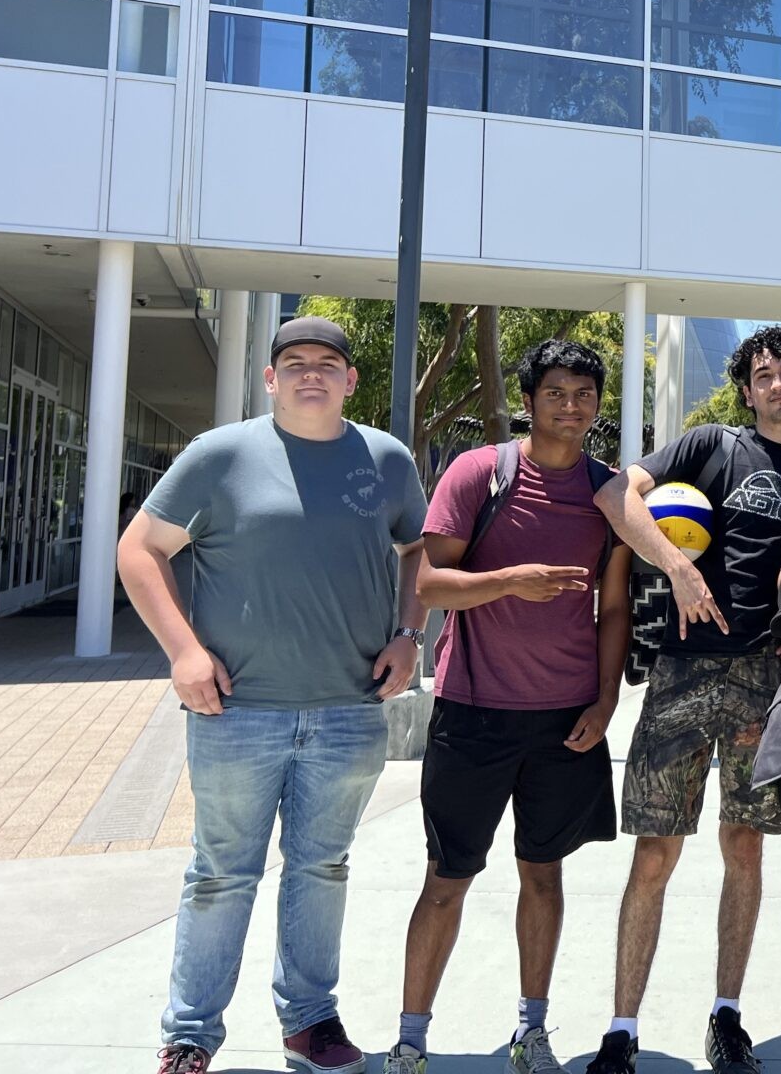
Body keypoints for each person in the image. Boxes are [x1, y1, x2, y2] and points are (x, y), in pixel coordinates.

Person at [116, 316, 428, 1074]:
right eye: (294, 363)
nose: (310, 374)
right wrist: (184, 651)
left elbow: (418, 546)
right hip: (236, 711)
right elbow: (140, 549)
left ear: (351, 380)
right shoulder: (220, 455)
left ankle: (310, 1022)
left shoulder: (385, 460)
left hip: (348, 708)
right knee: (222, 872)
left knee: (323, 868)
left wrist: (408, 634)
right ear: (270, 378)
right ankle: (190, 1033)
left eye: (327, 363)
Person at [582, 326, 781, 1074]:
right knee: (655, 854)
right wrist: (675, 567)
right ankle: (621, 1030)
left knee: (744, 849)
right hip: (681, 675)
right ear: (748, 388)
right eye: (763, 374)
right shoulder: (707, 446)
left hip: (768, 683)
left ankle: (727, 1019)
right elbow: (614, 494)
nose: (778, 384)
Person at [385, 340, 630, 1074]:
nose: (572, 405)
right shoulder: (478, 473)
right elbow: (428, 584)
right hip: (474, 710)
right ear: (529, 400)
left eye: (585, 393)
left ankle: (533, 1032)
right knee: (446, 879)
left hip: (566, 719)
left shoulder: (607, 490)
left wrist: (608, 697)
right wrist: (509, 580)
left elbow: (613, 608)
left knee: (544, 875)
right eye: (556, 391)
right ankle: (410, 1041)